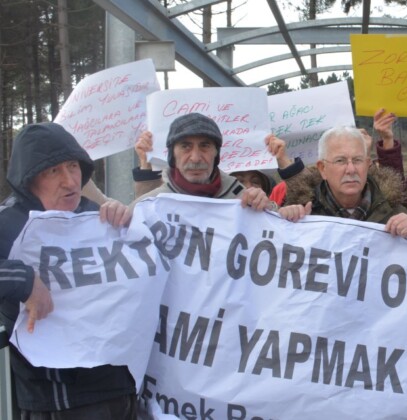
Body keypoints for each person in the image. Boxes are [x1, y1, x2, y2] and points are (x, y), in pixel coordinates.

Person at [0, 122, 137, 418]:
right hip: (57, 400)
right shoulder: (7, 223)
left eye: (73, 167)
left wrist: (128, 224)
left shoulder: (95, 216)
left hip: (121, 387)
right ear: (28, 178)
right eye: (53, 171)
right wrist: (23, 280)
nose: (70, 181)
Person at [278, 126, 407, 237]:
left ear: (367, 164)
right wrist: (284, 222)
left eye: (357, 160)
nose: (351, 169)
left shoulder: (394, 211)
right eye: (340, 161)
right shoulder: (304, 213)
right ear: (322, 169)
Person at [132, 113, 272, 210]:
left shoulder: (243, 200)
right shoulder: (150, 203)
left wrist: (270, 208)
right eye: (185, 146)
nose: (195, 158)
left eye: (205, 146)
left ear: (216, 153)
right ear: (172, 154)